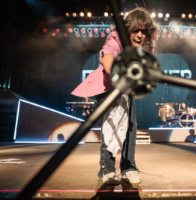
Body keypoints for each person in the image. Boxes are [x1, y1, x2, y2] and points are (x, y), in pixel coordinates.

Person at [71, 7, 157, 183]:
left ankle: (128, 168)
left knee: (131, 125)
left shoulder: (147, 46)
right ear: (128, 29)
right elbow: (107, 57)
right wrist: (117, 78)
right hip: (109, 85)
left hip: (128, 88)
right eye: (136, 30)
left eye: (144, 31)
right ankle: (107, 170)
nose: (140, 35)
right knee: (111, 124)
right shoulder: (117, 37)